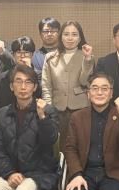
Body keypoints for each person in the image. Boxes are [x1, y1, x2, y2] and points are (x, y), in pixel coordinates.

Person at [41, 20, 95, 153]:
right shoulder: (50, 57)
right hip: (57, 109)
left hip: (80, 107)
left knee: (79, 145)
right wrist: (49, 109)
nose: (70, 38)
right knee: (59, 145)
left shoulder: (86, 57)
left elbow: (85, 82)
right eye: (66, 34)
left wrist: (88, 60)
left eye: (74, 34)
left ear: (80, 38)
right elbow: (46, 86)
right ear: (61, 36)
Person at [0, 36, 38, 113]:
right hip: (6, 117)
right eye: (19, 52)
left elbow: (40, 96)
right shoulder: (2, 78)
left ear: (32, 54)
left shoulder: (39, 75)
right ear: (13, 55)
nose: (22, 56)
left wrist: (30, 72)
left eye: (26, 52)